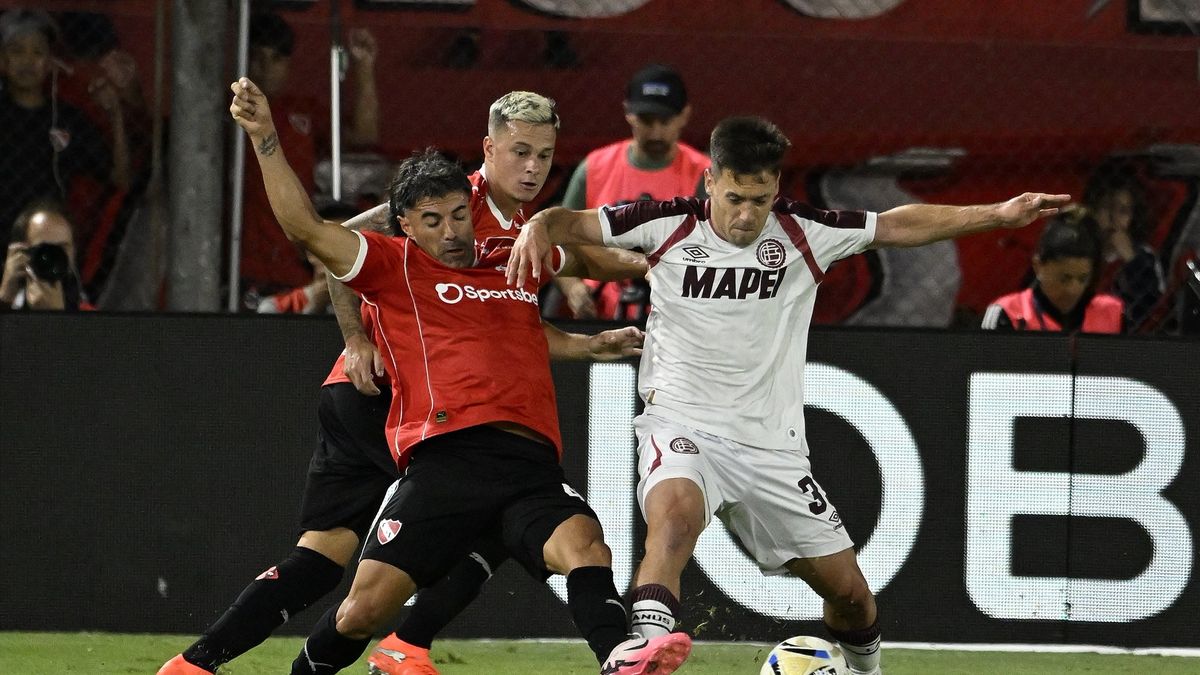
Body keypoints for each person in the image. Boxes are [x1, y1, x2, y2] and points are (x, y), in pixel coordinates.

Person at [506, 116, 1071, 675]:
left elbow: (898, 225)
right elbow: (571, 223)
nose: (748, 214)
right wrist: (538, 226)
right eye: (735, 198)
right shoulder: (666, 224)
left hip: (772, 449)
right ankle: (639, 653)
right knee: (673, 521)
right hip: (681, 424)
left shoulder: (804, 232)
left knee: (849, 595)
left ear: (776, 187)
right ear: (710, 183)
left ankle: (863, 672)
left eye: (760, 198)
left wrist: (998, 213)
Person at [157, 84, 677, 675]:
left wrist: (665, 266)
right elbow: (327, 241)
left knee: (511, 534)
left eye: (544, 155)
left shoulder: (521, 233)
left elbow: (526, 314)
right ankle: (389, 642)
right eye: (520, 153)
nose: (533, 168)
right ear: (488, 148)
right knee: (372, 565)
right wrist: (355, 341)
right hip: (379, 396)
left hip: (485, 431)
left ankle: (208, 663)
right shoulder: (434, 219)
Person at [237, 11, 379, 302]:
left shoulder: (302, 111)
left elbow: (365, 135)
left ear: (288, 65)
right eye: (257, 57)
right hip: (239, 257)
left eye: (276, 59)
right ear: (242, 58)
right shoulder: (227, 112)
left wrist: (364, 67)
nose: (265, 68)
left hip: (293, 257)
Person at [551, 63, 708, 320]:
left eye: (665, 120)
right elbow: (557, 237)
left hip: (677, 317)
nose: (656, 131)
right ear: (628, 113)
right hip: (600, 316)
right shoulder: (594, 168)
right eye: (647, 120)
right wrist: (573, 288)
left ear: (684, 115)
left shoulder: (704, 174)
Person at [0, 8, 130, 247]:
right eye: (17, 51)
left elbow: (120, 178)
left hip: (45, 245)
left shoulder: (66, 118)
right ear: (3, 61)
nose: (27, 61)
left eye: (37, 52)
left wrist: (116, 116)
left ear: (50, 62)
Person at [981, 213, 1123, 333]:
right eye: (1064, 279)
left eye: (1082, 279)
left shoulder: (1114, 313)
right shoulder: (1007, 312)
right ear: (1038, 266)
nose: (1073, 290)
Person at [1083, 162, 1164, 331]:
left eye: (1123, 211)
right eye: (1107, 208)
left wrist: (1132, 261)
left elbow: (1153, 307)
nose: (1114, 218)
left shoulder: (1144, 256)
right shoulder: (1079, 250)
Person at [1, 200, 91, 311]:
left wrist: (57, 317)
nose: (52, 257)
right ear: (21, 252)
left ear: (74, 252)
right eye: (43, 249)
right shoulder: (10, 300)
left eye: (61, 249)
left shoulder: (87, 315)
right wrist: (4, 298)